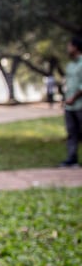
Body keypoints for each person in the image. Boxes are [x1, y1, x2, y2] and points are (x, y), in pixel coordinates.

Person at [60, 35, 82, 167]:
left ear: (76, 47)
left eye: (69, 46)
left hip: (80, 105)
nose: (68, 48)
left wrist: (73, 98)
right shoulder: (70, 65)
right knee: (71, 133)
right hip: (70, 106)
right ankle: (72, 159)